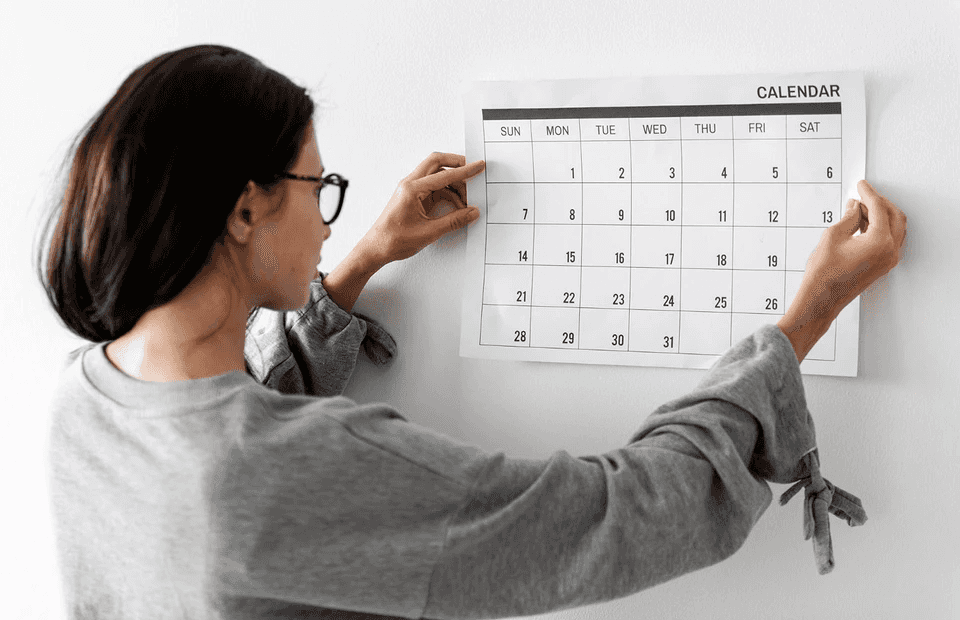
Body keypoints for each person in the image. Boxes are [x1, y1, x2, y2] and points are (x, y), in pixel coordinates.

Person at [37, 44, 906, 620]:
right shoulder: (286, 470)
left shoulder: (88, 398)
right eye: (317, 187)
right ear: (244, 208)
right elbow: (621, 516)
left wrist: (358, 263)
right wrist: (806, 319)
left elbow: (230, 435)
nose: (330, 218)